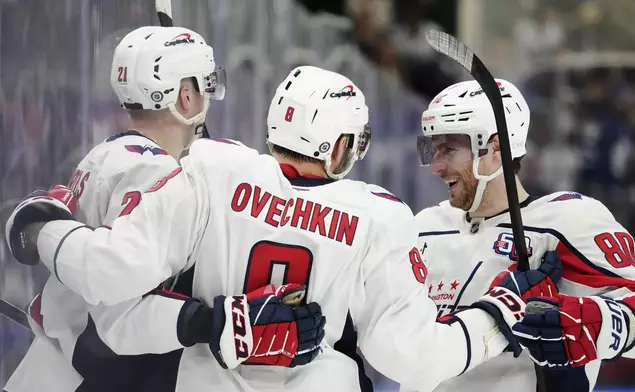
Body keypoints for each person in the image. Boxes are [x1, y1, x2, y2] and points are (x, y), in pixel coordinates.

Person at [6, 66, 560, 391]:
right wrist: (495, 317)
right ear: (342, 146)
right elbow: (410, 360)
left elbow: (112, 281)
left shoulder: (211, 167)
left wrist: (40, 227)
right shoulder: (383, 213)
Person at [3, 26, 323, 392]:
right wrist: (219, 323)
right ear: (186, 97)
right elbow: (119, 318)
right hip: (83, 377)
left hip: (46, 367)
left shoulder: (107, 153)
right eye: (205, 85)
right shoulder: (161, 176)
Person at [414, 78, 635, 392]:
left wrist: (599, 321)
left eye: (449, 149)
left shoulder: (566, 221)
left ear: (495, 147)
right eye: (433, 149)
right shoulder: (424, 225)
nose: (436, 167)